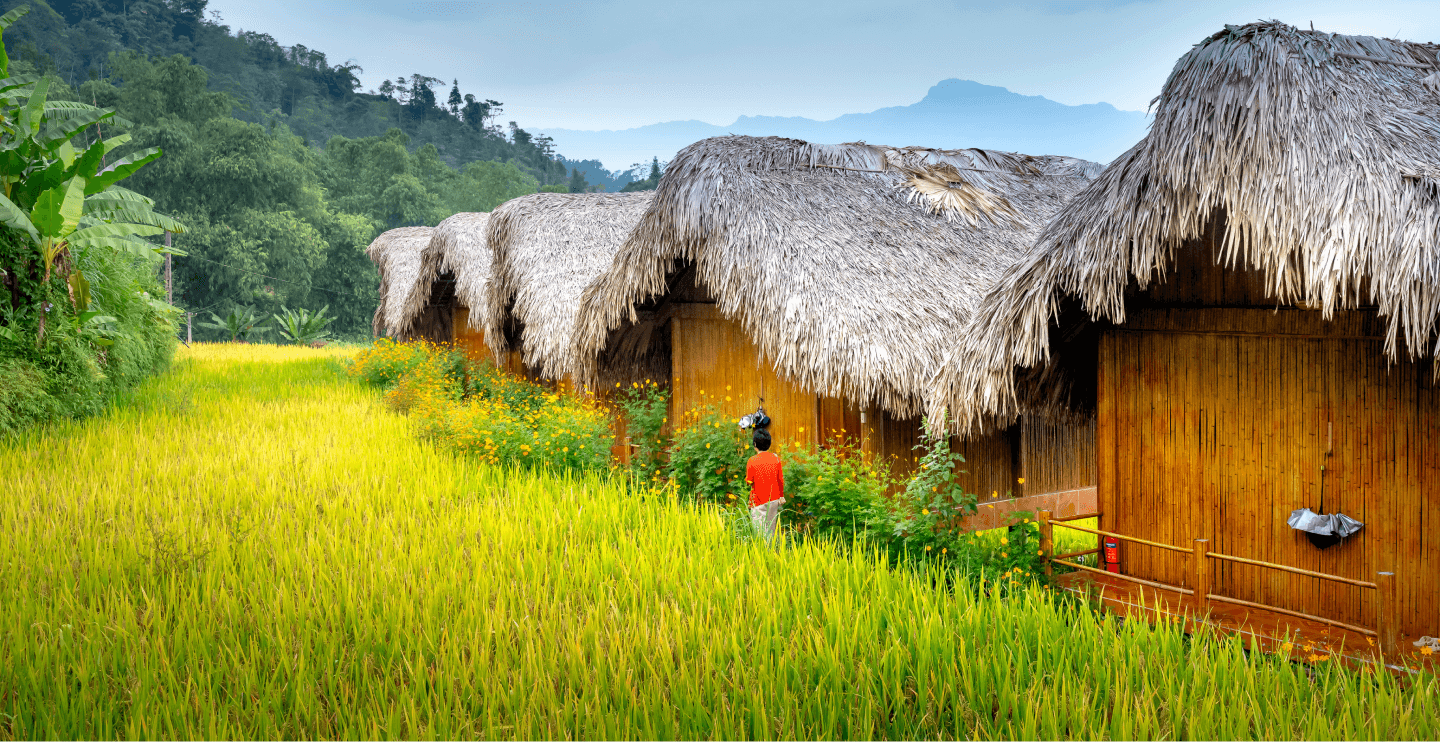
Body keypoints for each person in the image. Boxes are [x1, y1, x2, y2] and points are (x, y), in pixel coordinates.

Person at [745, 428, 785, 540]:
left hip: (759, 501)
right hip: (774, 500)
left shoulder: (752, 460)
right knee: (771, 531)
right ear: (769, 443)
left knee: (760, 534)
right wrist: (781, 496)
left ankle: (763, 555)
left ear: (755, 444)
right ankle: (773, 552)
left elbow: (749, 481)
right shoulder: (775, 458)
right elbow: (780, 480)